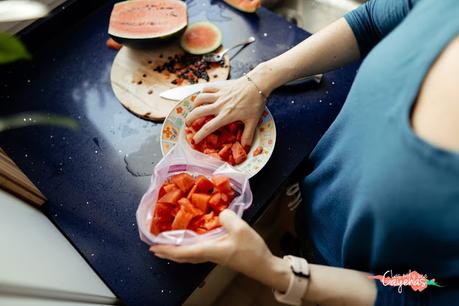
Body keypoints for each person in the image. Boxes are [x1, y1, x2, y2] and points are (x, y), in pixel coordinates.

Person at [150, 0, 459, 304]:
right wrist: (260, 79)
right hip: (311, 203)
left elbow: (421, 296)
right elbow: (371, 20)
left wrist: (277, 272)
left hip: (354, 279)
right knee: (300, 234)